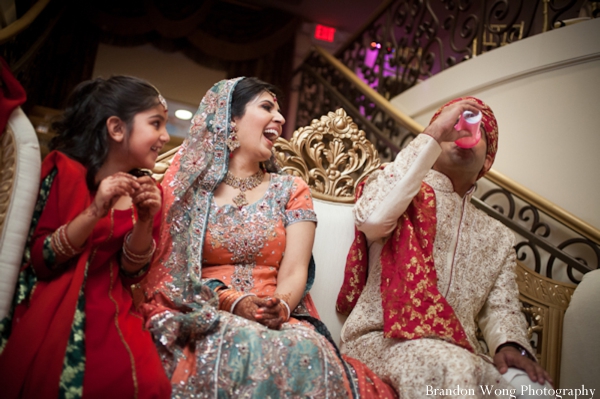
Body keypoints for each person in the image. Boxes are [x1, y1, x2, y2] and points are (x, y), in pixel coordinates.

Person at [139, 77, 397, 398]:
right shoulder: (193, 189)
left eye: (278, 109)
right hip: (206, 309)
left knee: (303, 349)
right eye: (266, 107)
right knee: (236, 342)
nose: (281, 118)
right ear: (230, 119)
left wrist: (281, 309)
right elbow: (174, 273)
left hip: (278, 317)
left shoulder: (291, 189)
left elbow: (294, 271)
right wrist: (234, 302)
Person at [336, 97, 554, 398]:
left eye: (478, 129)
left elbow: (502, 309)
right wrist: (436, 130)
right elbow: (372, 218)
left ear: (488, 159)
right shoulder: (399, 192)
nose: (462, 130)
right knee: (456, 366)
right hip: (381, 338)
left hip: (459, 347)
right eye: (454, 123)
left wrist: (510, 345)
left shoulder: (497, 236)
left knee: (537, 391)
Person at [0, 76, 172, 398]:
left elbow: (132, 272)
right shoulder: (64, 171)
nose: (165, 136)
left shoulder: (147, 191)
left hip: (112, 303)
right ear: (117, 129)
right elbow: (42, 259)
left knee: (151, 384)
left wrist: (145, 220)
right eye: (155, 123)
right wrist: (95, 210)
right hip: (56, 297)